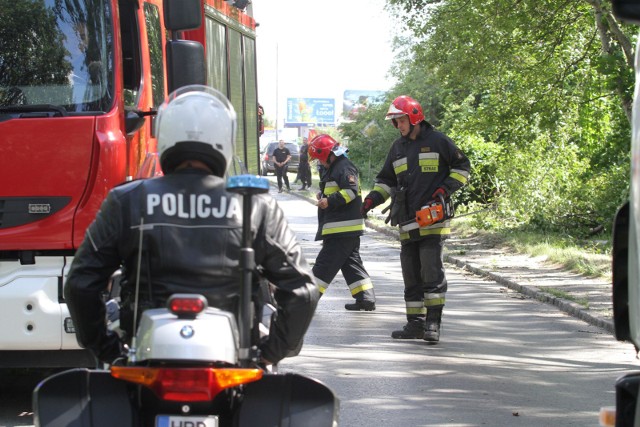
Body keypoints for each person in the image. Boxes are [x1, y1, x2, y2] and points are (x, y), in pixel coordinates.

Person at [64, 85, 320, 366]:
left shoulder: (127, 199)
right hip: (234, 360)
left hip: (145, 359)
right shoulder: (254, 204)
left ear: (164, 136)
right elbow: (301, 291)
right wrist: (270, 354)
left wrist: (109, 351)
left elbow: (81, 284)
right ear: (225, 138)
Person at [361, 95, 470, 343]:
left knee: (431, 271)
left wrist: (445, 190)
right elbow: (386, 181)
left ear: (414, 117)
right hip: (407, 221)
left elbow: (462, 168)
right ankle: (415, 324)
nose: (398, 126)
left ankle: (432, 324)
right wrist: (370, 201)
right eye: (395, 122)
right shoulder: (397, 148)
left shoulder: (438, 141)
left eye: (400, 120)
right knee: (411, 275)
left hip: (432, 219)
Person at [309, 134, 376, 311]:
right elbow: (337, 190)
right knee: (351, 263)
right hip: (344, 227)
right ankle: (365, 297)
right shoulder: (336, 167)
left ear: (327, 154)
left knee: (324, 264)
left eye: (320, 159)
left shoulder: (343, 167)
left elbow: (351, 191)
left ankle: (306, 301)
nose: (320, 163)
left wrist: (329, 201)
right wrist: (323, 196)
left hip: (342, 228)